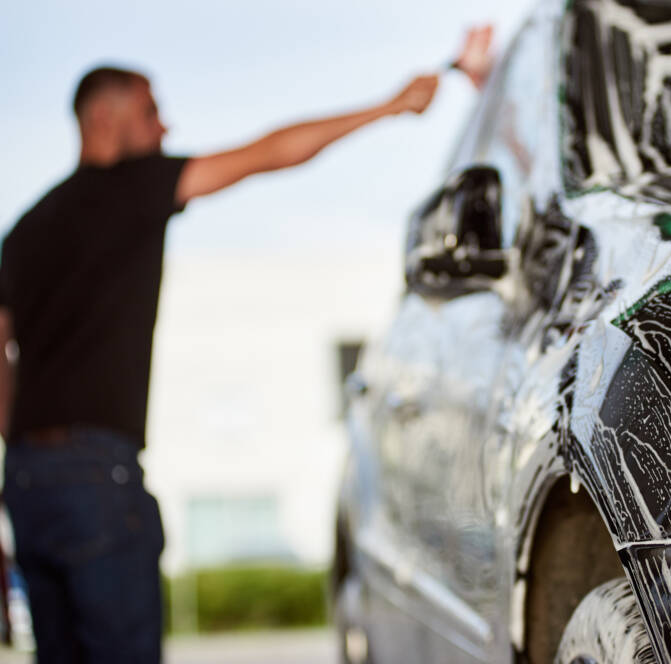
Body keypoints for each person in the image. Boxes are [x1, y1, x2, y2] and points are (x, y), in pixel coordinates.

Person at [0, 27, 493, 664]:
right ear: (103, 116)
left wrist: (10, 475)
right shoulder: (134, 187)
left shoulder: (24, 232)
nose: (164, 128)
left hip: (28, 484)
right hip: (98, 477)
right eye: (150, 111)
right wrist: (389, 106)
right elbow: (270, 153)